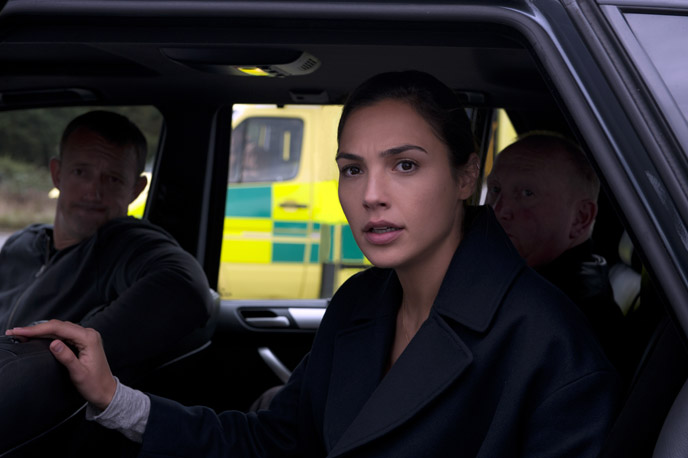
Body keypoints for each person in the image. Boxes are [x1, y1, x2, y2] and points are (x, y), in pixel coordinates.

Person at [8, 72, 620, 457]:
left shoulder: (551, 344)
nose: (371, 195)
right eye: (352, 169)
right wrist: (116, 398)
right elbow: (275, 442)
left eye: (405, 165)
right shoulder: (360, 302)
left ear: (465, 178)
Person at [0, 110, 213, 380]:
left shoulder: (124, 246)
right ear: (57, 174)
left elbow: (186, 286)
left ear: (136, 189)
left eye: (113, 179)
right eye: (81, 172)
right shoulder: (22, 243)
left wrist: (76, 348)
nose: (94, 191)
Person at [485, 134, 627, 374]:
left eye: (527, 193)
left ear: (580, 218)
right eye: (495, 189)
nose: (499, 210)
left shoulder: (566, 322)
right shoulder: (529, 280)